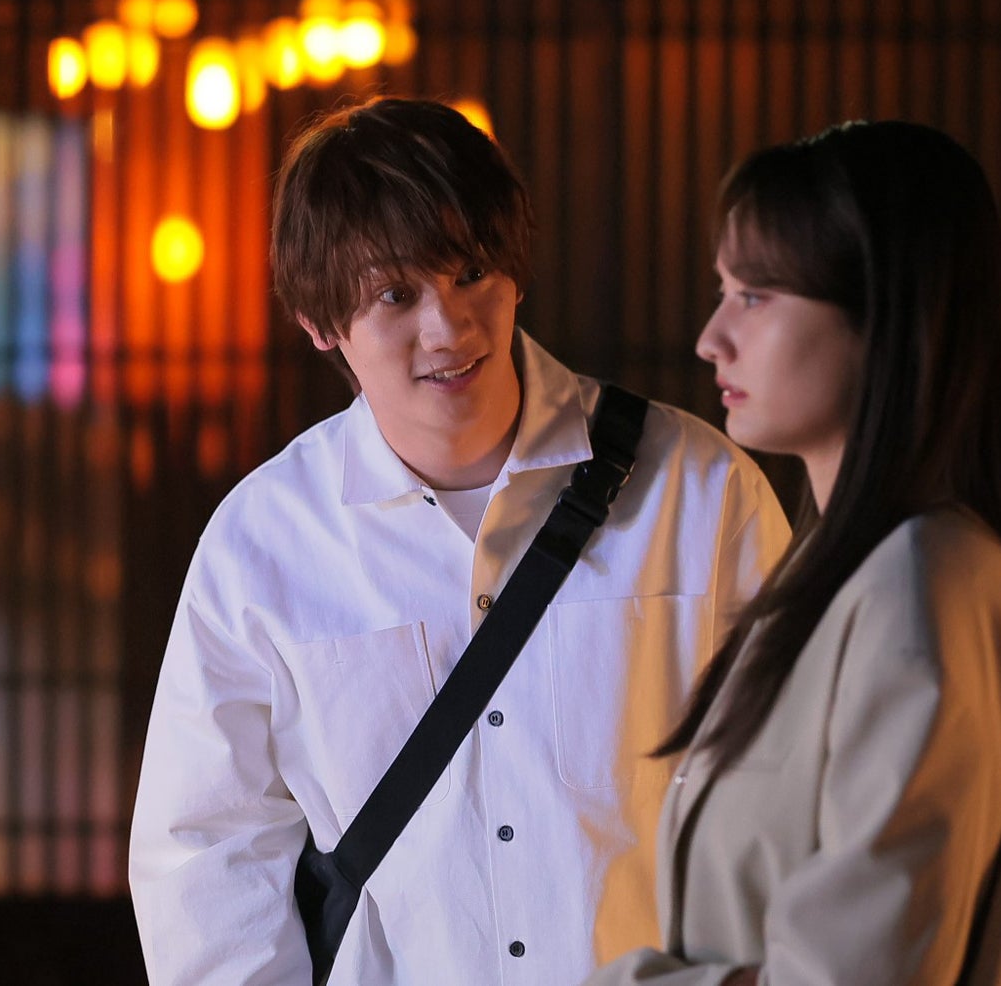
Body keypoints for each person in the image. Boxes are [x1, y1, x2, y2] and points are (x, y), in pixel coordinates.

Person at [128, 98, 790, 985]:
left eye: (473, 272)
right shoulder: (263, 545)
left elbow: (787, 790)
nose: (450, 327)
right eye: (395, 295)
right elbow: (206, 856)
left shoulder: (698, 492)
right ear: (321, 325)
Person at [585, 120, 1001, 986]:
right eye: (722, 290)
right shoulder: (837, 568)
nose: (712, 337)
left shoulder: (926, 582)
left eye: (755, 297)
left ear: (883, 322)